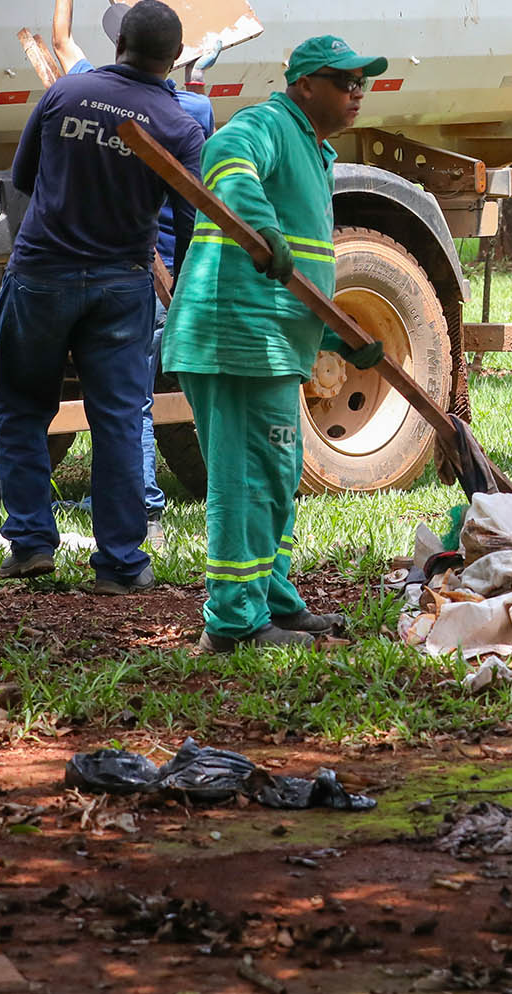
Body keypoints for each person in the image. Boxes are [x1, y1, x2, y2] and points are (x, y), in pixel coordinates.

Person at [163, 36, 388, 652]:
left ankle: (276, 601)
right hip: (234, 335)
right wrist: (259, 224)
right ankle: (235, 623)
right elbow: (225, 155)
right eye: (344, 82)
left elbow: (309, 267)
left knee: (279, 470)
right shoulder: (268, 122)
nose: (356, 92)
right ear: (304, 85)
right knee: (245, 480)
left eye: (360, 82)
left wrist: (342, 336)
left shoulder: (316, 152)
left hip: (275, 338)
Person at [0, 0, 206, 591]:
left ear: (118, 46)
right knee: (115, 420)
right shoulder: (182, 129)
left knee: (19, 406)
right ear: (174, 59)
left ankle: (31, 543)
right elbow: (191, 224)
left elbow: (24, 179)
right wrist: (181, 296)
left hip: (41, 275)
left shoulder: (66, 94)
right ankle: (121, 563)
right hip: (121, 285)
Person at [51, 0, 217, 544]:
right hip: (167, 275)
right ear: (175, 60)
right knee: (136, 394)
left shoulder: (90, 92)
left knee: (128, 399)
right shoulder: (191, 113)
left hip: (140, 270)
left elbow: (61, 39)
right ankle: (129, 494)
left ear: (121, 47)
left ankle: (141, 499)